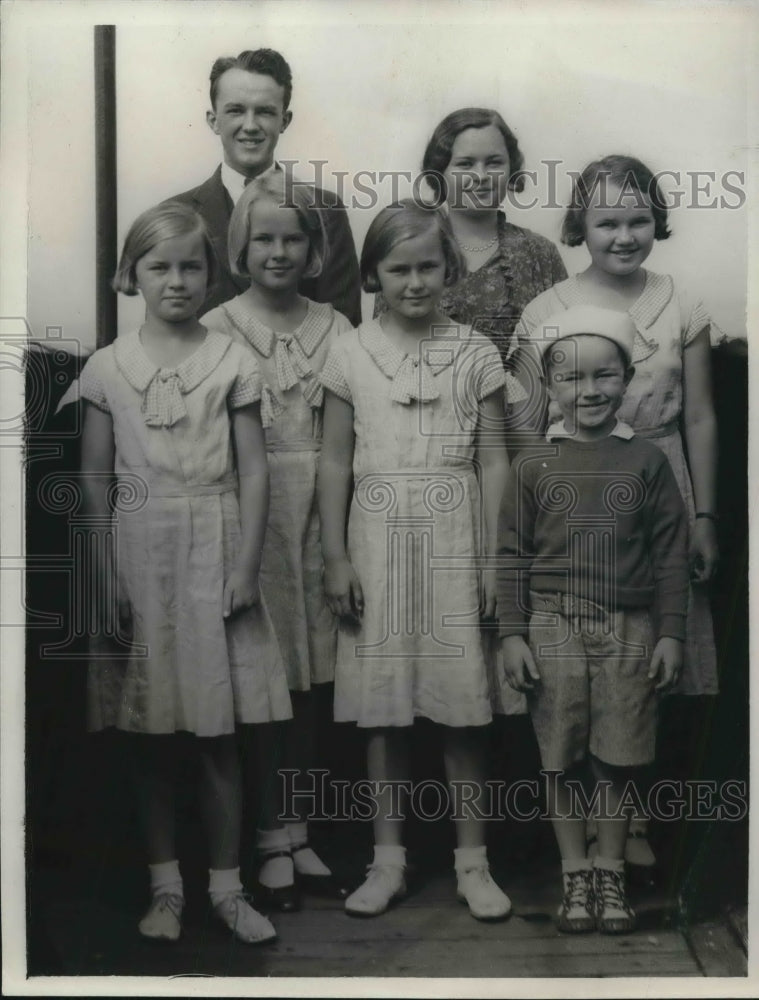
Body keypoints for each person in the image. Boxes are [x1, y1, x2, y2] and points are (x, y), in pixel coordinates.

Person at [76, 202, 292, 944]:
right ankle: (165, 888)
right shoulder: (108, 366)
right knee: (150, 732)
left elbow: (256, 472)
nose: (177, 281)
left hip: (213, 548)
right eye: (159, 267)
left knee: (216, 733)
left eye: (191, 267)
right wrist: (104, 578)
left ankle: (228, 890)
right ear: (130, 276)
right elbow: (96, 481)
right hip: (140, 558)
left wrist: (243, 568)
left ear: (211, 273)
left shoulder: (232, 359)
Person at [513, 155, 719, 874]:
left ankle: (625, 824)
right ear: (582, 225)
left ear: (654, 221)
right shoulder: (547, 310)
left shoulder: (680, 300)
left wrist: (705, 516)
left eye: (637, 220)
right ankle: (589, 848)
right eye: (607, 221)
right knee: (578, 672)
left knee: (644, 663)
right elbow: (532, 424)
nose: (623, 235)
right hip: (578, 495)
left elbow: (697, 415)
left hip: (660, 482)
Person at [318, 200, 511, 920]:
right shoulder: (349, 351)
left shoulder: (475, 352)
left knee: (463, 709)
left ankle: (472, 862)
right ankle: (387, 860)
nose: (414, 281)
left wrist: (496, 559)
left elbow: (495, 461)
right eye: (398, 268)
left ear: (449, 269)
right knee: (384, 713)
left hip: (456, 539)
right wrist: (335, 555)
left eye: (428, 265)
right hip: (376, 538)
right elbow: (334, 461)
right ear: (372, 275)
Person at [497, 305, 689, 934]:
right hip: (552, 624)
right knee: (560, 755)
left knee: (617, 755)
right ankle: (573, 873)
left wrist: (670, 632)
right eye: (573, 379)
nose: (591, 391)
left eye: (605, 376)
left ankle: (610, 874)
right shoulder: (534, 464)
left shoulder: (647, 463)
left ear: (629, 377)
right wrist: (513, 634)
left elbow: (669, 555)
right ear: (549, 388)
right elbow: (512, 555)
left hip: (628, 627)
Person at [203, 173, 353, 910]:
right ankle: (268, 835)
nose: (279, 250)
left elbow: (344, 439)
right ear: (240, 246)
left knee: (314, 681)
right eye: (263, 237)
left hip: (322, 511)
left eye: (293, 238)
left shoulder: (335, 327)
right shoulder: (221, 327)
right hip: (252, 514)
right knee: (265, 683)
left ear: (314, 249)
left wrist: (338, 545)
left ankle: (301, 830)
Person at [171, 48, 361, 323]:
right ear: (213, 121)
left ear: (284, 120)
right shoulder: (177, 216)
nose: (250, 125)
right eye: (236, 110)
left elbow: (343, 331)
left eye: (265, 112)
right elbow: (166, 331)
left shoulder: (325, 211)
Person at [376, 108, 567, 375]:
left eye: (494, 162)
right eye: (465, 164)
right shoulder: (410, 249)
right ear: (440, 172)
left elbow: (564, 355)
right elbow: (383, 347)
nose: (481, 175)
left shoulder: (539, 254)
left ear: (511, 168)